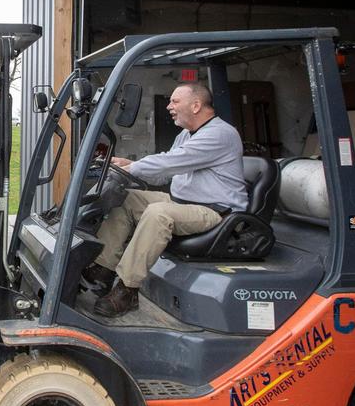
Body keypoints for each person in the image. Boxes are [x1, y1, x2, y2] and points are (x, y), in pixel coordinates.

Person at [85, 82, 248, 317]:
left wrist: (134, 167)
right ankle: (103, 269)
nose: (169, 106)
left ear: (195, 105)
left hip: (215, 211)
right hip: (182, 202)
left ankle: (127, 289)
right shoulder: (186, 135)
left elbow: (173, 161)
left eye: (175, 101)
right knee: (125, 199)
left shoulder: (220, 133)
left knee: (158, 213)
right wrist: (126, 167)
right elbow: (164, 171)